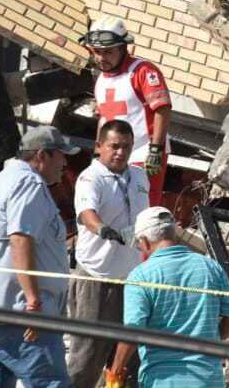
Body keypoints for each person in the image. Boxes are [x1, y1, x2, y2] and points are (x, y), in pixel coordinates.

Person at [0, 126, 80, 388]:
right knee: (52, 382)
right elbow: (20, 238)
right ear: (42, 155)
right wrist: (33, 302)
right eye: (61, 155)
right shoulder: (29, 184)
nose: (65, 162)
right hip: (21, 312)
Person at [107, 207, 229, 388]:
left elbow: (133, 331)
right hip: (209, 379)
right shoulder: (210, 266)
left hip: (163, 381)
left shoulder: (140, 276)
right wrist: (214, 339)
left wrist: (115, 371)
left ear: (145, 241)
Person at [67, 120, 150, 388]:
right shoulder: (90, 178)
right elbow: (86, 214)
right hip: (97, 276)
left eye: (126, 147)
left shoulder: (139, 176)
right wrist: (104, 230)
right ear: (99, 146)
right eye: (114, 146)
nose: (120, 153)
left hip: (131, 277)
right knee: (88, 354)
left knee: (128, 355)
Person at [81, 17, 172, 205]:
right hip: (112, 155)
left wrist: (156, 150)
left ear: (123, 48)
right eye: (96, 52)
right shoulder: (101, 80)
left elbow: (162, 109)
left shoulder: (143, 71)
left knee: (142, 206)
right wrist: (98, 153)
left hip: (143, 153)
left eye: (108, 52)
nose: (101, 58)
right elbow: (104, 120)